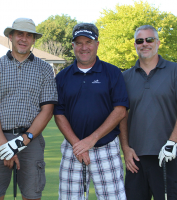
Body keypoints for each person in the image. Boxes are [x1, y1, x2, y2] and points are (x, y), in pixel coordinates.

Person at [0, 18, 57, 200]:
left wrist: (22, 141)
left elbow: (47, 110)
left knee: (32, 195)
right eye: (19, 34)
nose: (24, 39)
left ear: (34, 39)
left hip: (31, 138)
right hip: (0, 138)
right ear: (10, 36)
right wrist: (4, 146)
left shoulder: (45, 69)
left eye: (29, 35)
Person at [120, 25, 177, 200]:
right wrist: (125, 148)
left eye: (149, 39)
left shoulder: (176, 71)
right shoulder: (125, 77)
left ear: (158, 43)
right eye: (140, 40)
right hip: (135, 159)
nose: (144, 44)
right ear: (135, 45)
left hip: (166, 155)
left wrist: (172, 143)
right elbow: (122, 115)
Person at [54, 23, 128, 200]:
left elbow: (120, 110)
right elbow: (58, 113)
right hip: (73, 149)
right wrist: (78, 145)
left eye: (88, 41)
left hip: (106, 148)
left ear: (97, 44)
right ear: (73, 46)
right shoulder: (62, 77)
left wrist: (91, 140)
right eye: (78, 43)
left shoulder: (112, 72)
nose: (83, 47)